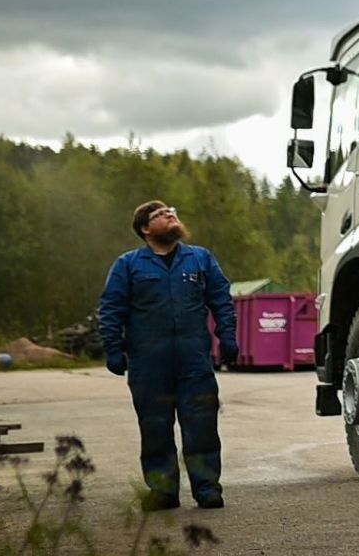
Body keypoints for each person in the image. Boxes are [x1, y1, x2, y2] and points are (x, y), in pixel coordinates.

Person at [98, 201, 238, 510]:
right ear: (145, 229)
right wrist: (113, 348)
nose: (170, 215)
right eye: (160, 215)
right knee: (155, 427)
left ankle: (207, 488)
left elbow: (221, 299)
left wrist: (227, 335)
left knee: (201, 425)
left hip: (194, 360)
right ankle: (163, 492)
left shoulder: (200, 258)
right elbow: (111, 308)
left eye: (171, 211)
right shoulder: (129, 265)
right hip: (148, 363)